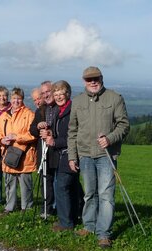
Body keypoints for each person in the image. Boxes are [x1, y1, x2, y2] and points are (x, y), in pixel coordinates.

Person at [68, 66, 130, 248]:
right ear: (83, 81)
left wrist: (110, 139)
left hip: (106, 155)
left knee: (106, 195)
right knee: (89, 194)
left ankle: (104, 233)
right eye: (89, 79)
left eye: (96, 78)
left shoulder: (114, 98)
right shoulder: (77, 101)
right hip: (85, 154)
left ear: (102, 78)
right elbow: (72, 131)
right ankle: (89, 226)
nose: (93, 82)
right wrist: (72, 156)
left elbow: (124, 125)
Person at [41, 80, 83, 232]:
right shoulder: (60, 110)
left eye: (61, 94)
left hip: (70, 154)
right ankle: (74, 216)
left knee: (62, 187)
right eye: (56, 94)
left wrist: (55, 141)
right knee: (71, 188)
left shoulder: (72, 110)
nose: (58, 97)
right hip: (63, 155)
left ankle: (66, 224)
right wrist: (52, 134)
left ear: (68, 94)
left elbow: (75, 136)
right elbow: (62, 133)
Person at [0, 87, 37, 215]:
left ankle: (26, 208)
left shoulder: (29, 114)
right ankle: (9, 207)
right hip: (8, 154)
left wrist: (16, 137)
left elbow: (33, 135)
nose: (16, 101)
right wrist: (2, 140)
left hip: (25, 155)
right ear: (10, 100)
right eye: (14, 98)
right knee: (9, 183)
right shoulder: (4, 116)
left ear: (22, 99)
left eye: (19, 98)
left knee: (25, 184)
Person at [30, 80, 58, 218]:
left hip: (57, 151)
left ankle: (62, 208)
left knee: (60, 183)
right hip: (44, 152)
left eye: (48, 92)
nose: (45, 95)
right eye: (43, 93)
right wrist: (38, 127)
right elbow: (32, 130)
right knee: (45, 182)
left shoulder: (59, 107)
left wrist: (50, 132)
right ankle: (47, 208)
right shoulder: (40, 110)